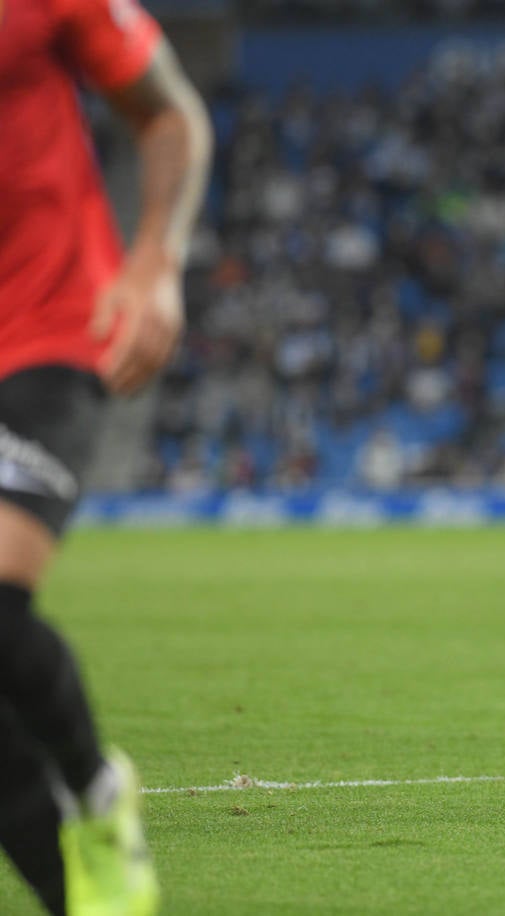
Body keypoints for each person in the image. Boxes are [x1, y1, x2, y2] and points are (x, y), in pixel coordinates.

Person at [0, 1, 211, 913]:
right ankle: (72, 891)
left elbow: (168, 112)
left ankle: (91, 785)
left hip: (49, 327)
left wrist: (156, 261)